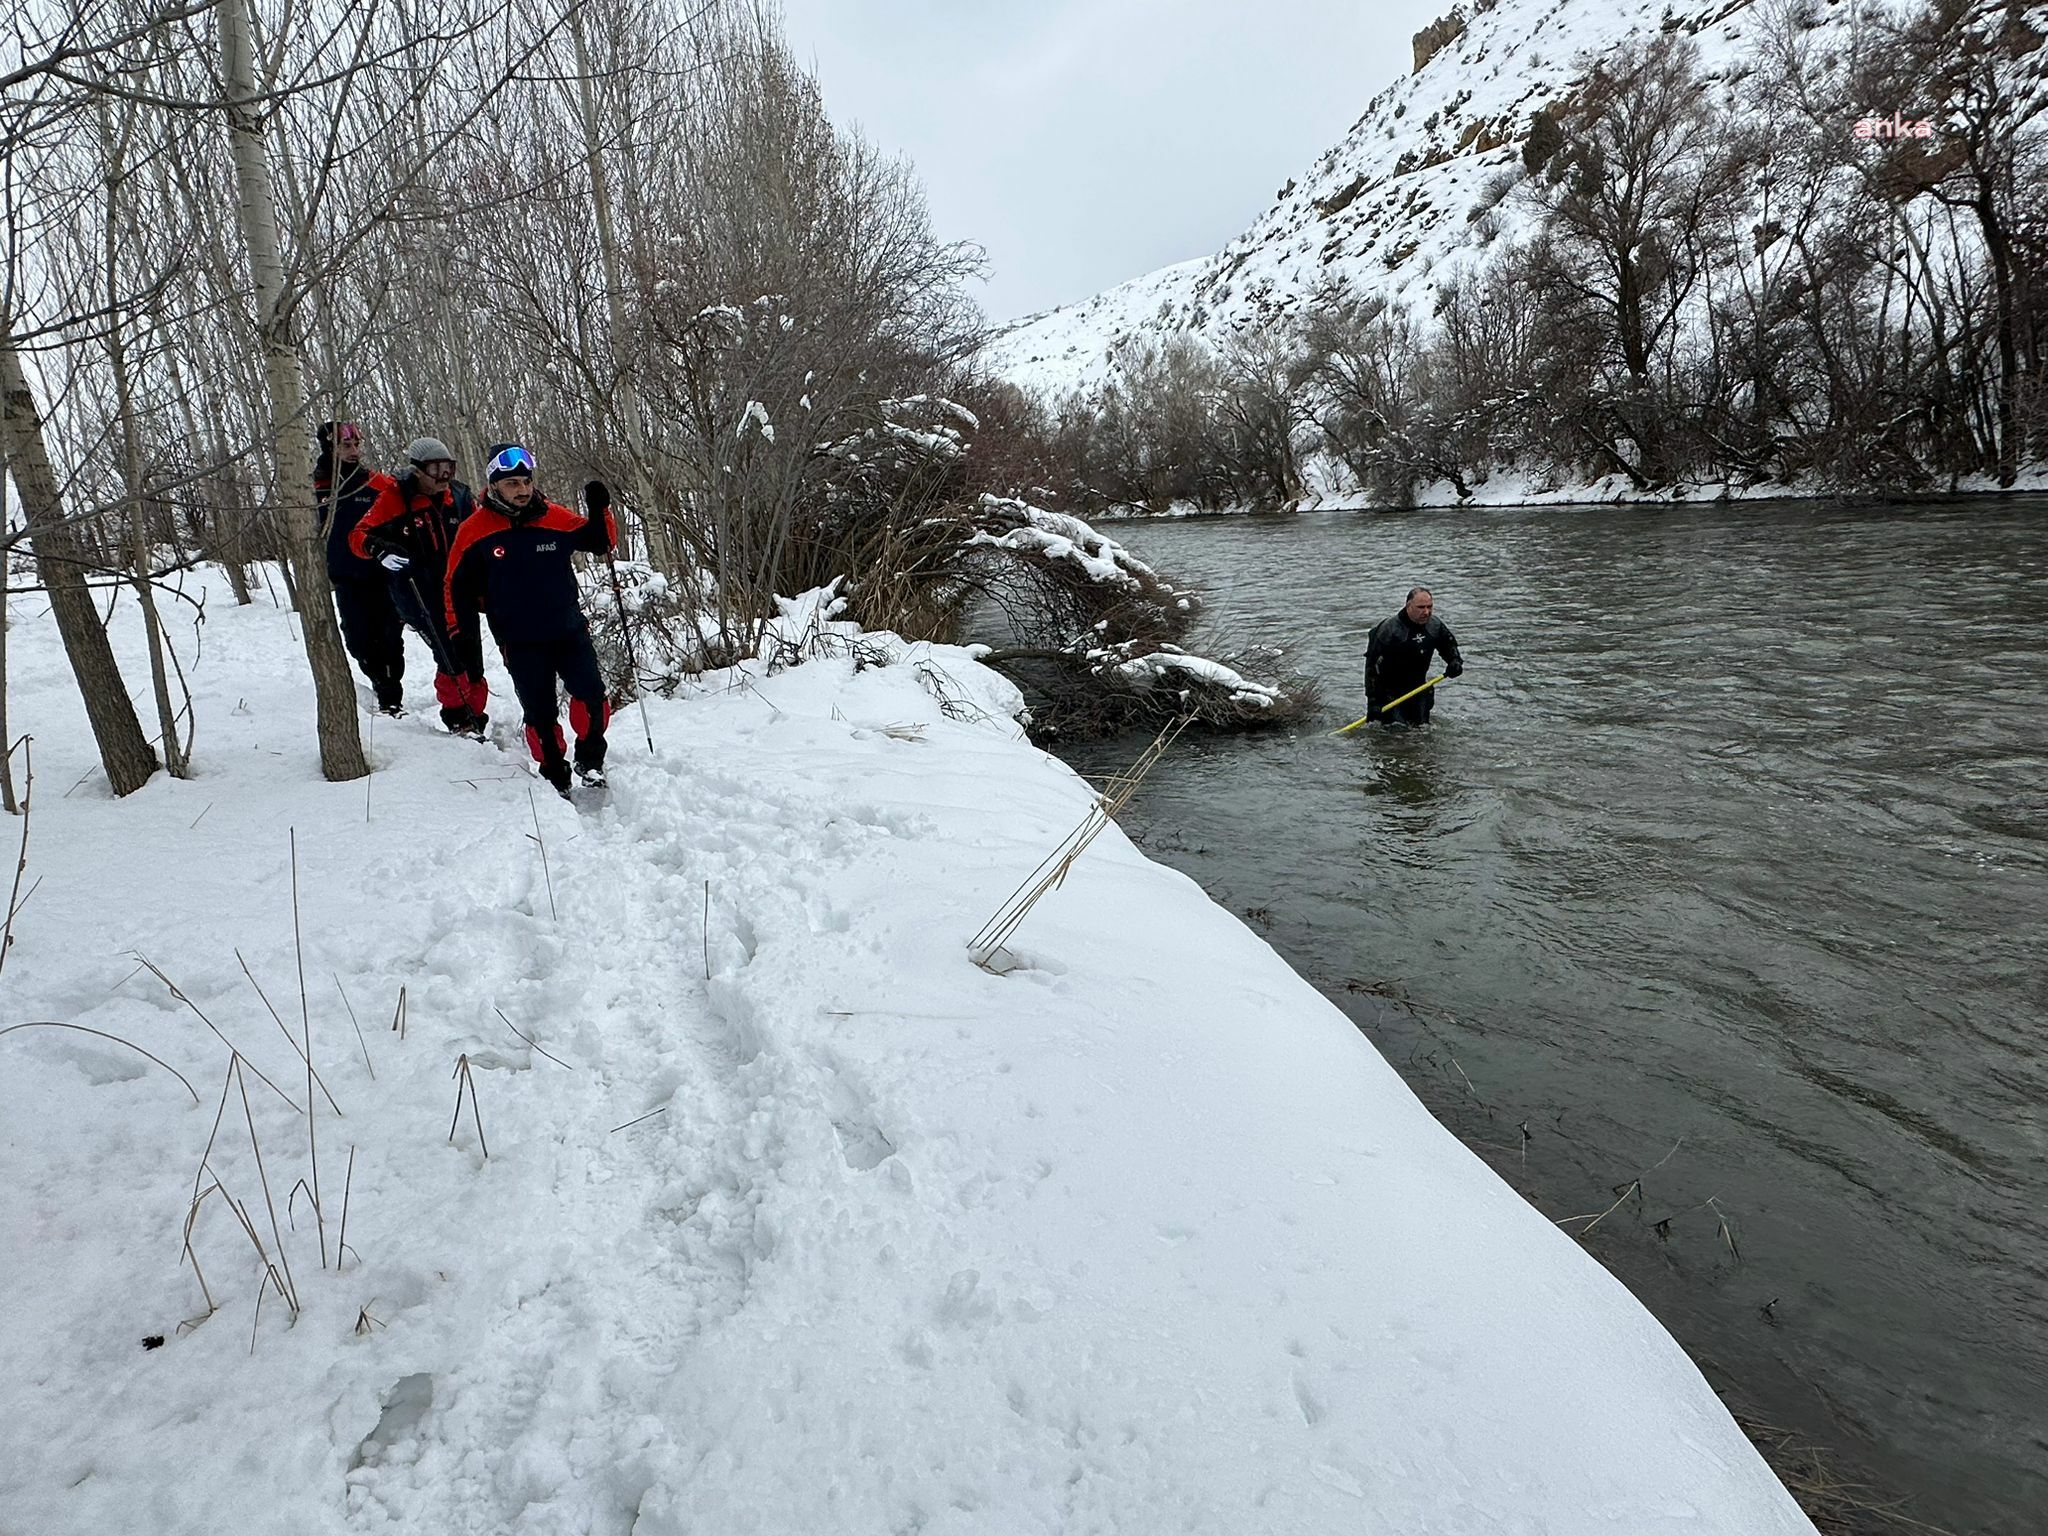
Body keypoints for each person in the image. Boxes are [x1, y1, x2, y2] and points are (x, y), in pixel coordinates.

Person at [444, 444, 617, 796]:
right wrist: (457, 631)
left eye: (525, 481)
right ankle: (556, 776)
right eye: (512, 484)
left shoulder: (552, 516)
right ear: (494, 485)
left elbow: (600, 542)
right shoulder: (474, 530)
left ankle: (591, 760)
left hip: (569, 629)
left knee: (593, 698)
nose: (522, 489)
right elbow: (454, 586)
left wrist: (601, 509)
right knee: (540, 715)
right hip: (520, 640)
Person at [349, 436, 489, 735]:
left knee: (471, 656)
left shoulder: (461, 497)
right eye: (436, 470)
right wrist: (378, 548)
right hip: (418, 593)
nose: (444, 477)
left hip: (459, 591)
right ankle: (458, 717)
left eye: (449, 468)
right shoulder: (394, 498)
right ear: (416, 471)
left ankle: (476, 714)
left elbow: (484, 531)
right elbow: (358, 535)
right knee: (449, 654)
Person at [315, 421, 404, 714]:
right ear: (330, 447)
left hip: (382, 575)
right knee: (358, 639)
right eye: (346, 446)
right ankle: (377, 681)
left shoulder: (377, 483)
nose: (354, 451)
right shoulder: (315, 486)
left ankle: (391, 698)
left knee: (390, 638)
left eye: (356, 445)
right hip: (345, 578)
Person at [1366, 586, 1464, 726]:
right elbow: (1371, 667)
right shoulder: (1389, 629)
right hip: (1389, 695)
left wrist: (1455, 662)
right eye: (1421, 607)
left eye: (1430, 607)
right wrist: (1373, 701)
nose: (1426, 612)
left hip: (1420, 689)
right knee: (1397, 735)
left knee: (1421, 734)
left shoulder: (1435, 625)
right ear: (1408, 606)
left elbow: (1449, 647)